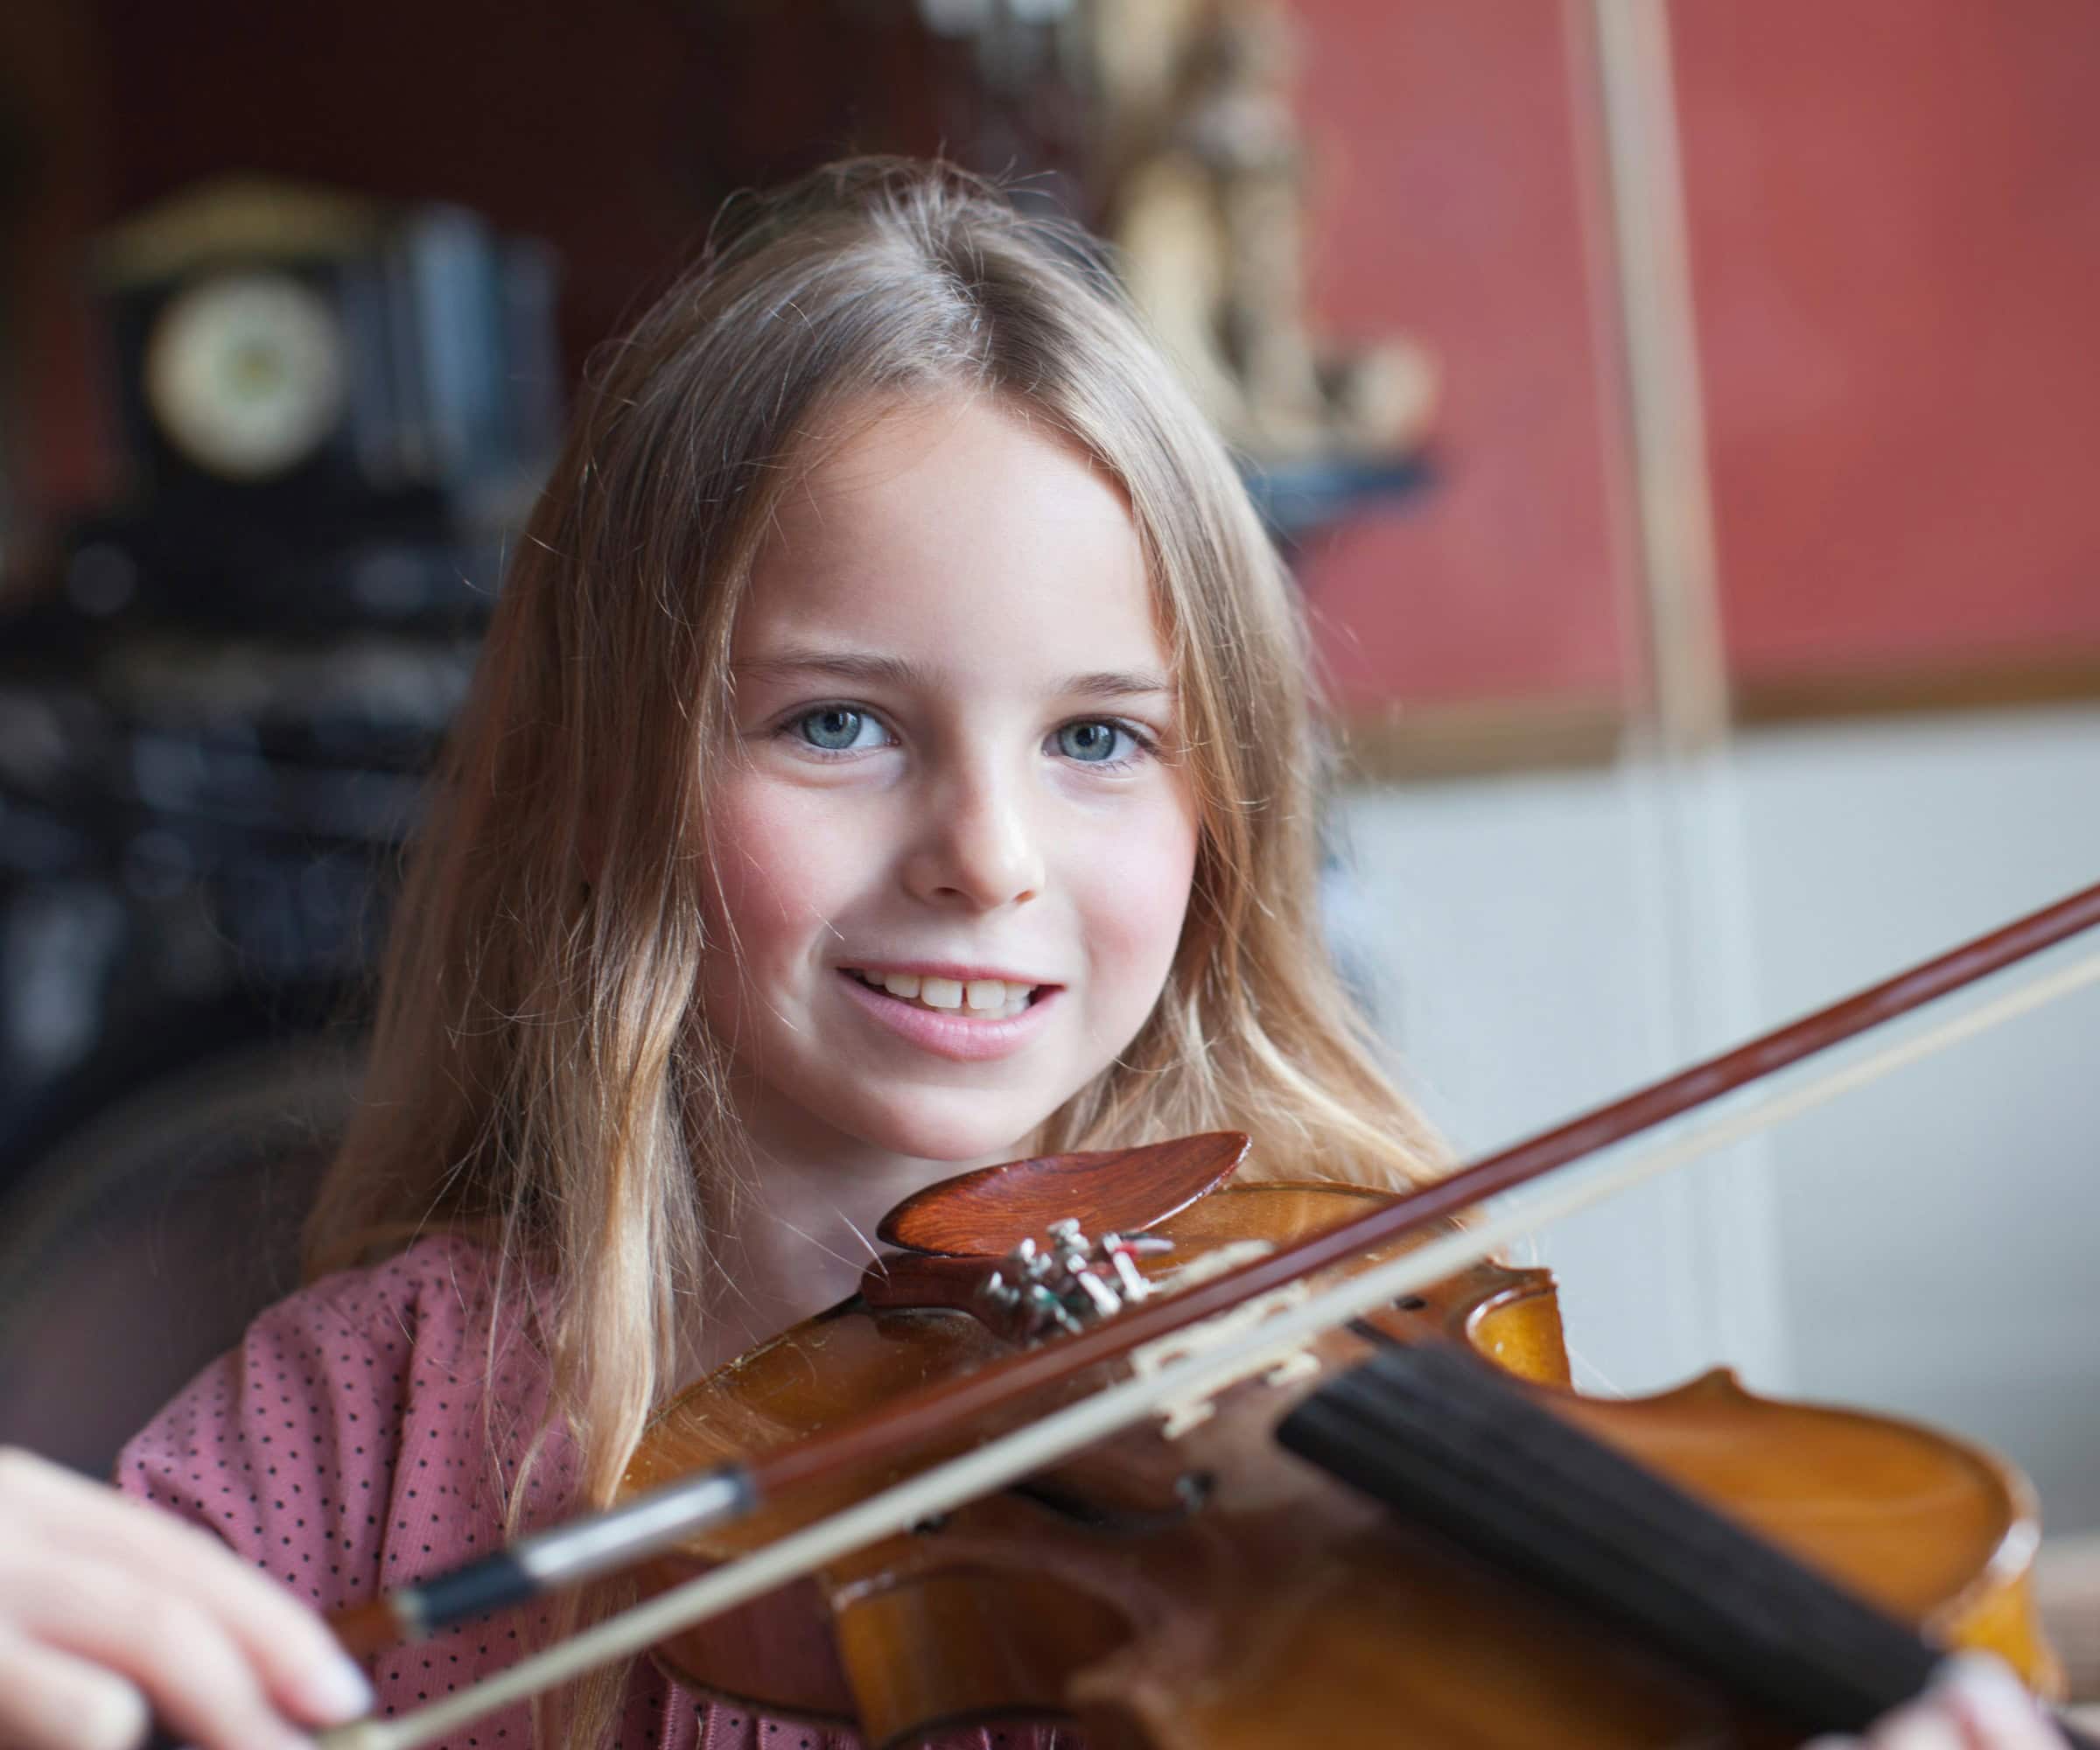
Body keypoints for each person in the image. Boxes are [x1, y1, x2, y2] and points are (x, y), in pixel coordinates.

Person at [0, 159, 2063, 1750]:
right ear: (602, 780)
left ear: (1220, 804)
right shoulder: (376, 1420)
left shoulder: (1353, 1333)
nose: (987, 856)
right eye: (838, 723)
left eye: (1098, 738)